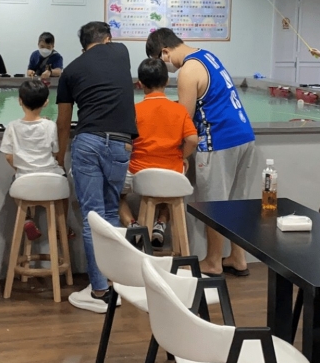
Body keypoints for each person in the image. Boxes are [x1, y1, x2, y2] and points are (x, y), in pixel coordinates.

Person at [146, 28, 256, 277]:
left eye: (160, 60)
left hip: (218, 142)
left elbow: (184, 119)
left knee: (214, 205)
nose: (165, 68)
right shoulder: (207, 56)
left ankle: (214, 261)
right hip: (243, 136)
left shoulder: (187, 71)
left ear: (165, 52)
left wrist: (177, 152)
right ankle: (238, 258)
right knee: (236, 203)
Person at [55, 22, 137, 312]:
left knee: (93, 217)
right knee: (112, 213)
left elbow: (63, 122)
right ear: (108, 39)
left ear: (82, 46)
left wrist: (60, 155)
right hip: (122, 143)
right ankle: (115, 284)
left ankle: (99, 290)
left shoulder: (70, 71)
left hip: (88, 142)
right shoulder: (121, 51)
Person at [118, 58, 199, 248]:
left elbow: (125, 143)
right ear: (167, 81)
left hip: (139, 173)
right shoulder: (179, 110)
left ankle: (133, 226)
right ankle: (161, 223)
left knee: (112, 193)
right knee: (172, 194)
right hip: (172, 173)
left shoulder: (134, 111)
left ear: (140, 84)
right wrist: (182, 157)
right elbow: (193, 140)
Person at [1, 79, 65, 241]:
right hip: (51, 180)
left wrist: (20, 169)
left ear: (19, 101)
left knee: (16, 186)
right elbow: (55, 151)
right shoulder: (50, 125)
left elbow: (8, 156)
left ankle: (28, 219)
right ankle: (61, 225)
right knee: (63, 181)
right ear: (46, 102)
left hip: (25, 180)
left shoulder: (12, 126)